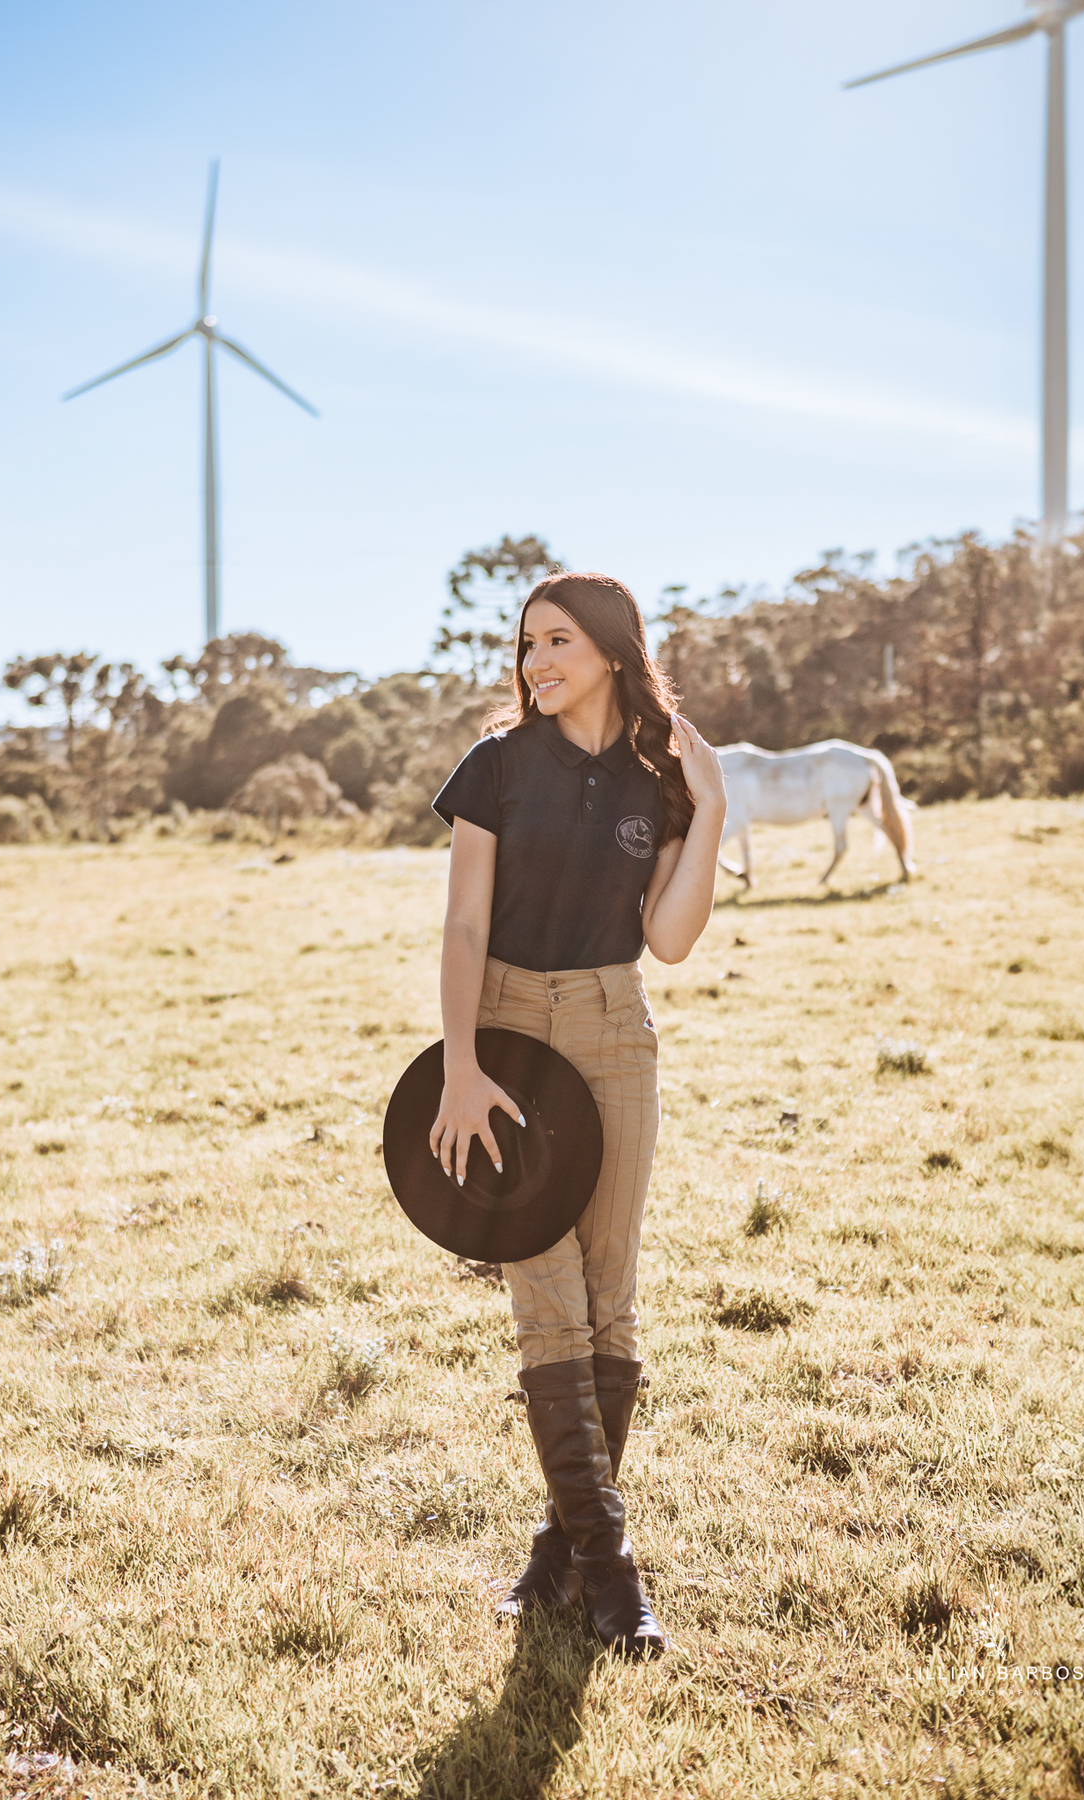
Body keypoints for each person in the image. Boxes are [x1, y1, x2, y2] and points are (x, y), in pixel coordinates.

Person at [429, 571, 726, 1656]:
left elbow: (671, 940)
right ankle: (613, 1575)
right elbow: (465, 927)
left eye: (557, 640)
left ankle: (559, 1554)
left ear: (610, 649)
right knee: (546, 1301)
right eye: (526, 644)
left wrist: (712, 808)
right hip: (507, 1033)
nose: (536, 661)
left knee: (609, 1303)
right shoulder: (496, 765)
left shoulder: (659, 781)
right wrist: (462, 1066)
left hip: (613, 1029)